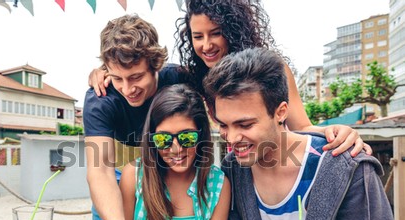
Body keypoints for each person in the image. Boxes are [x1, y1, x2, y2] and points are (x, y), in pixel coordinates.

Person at [202, 47, 398, 220]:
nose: (231, 139)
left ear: (281, 112)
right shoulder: (234, 167)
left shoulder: (348, 166)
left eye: (245, 124)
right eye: (224, 125)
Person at [89, 0, 370, 157]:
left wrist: (339, 132)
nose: (206, 45)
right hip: (235, 166)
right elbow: (137, 67)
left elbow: (302, 126)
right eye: (197, 36)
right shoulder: (196, 74)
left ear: (233, 30)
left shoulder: (270, 69)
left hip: (275, 161)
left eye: (215, 33)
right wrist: (103, 72)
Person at [83, 14, 188, 220]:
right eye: (117, 78)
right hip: (117, 176)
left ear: (155, 65)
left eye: (136, 77)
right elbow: (100, 171)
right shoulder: (100, 99)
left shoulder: (178, 78)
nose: (128, 89)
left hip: (166, 172)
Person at [108, 84, 231, 220]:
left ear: (201, 136)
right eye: (163, 140)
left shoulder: (219, 184)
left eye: (187, 137)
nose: (175, 149)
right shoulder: (133, 175)